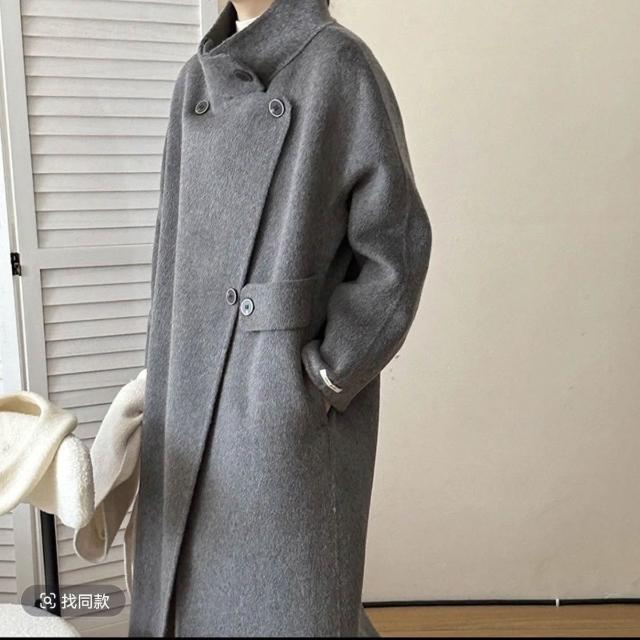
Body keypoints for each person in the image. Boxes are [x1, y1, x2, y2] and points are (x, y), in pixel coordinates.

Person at [129, 0, 432, 636]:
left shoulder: (339, 65)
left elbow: (397, 249)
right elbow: (171, 247)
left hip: (273, 403)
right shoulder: (194, 80)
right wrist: (158, 372)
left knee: (284, 605)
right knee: (187, 598)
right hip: (187, 385)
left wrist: (324, 375)